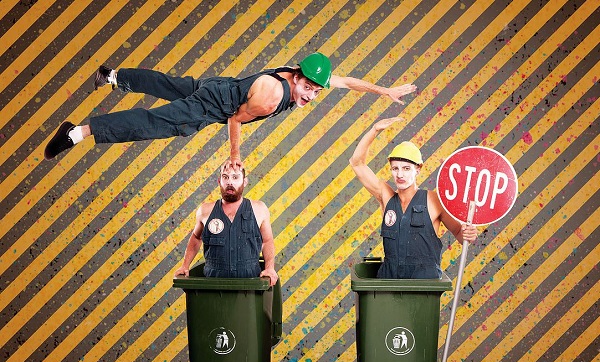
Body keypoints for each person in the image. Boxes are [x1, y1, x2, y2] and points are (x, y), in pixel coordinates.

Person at [44, 53, 418, 165]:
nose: (311, 95)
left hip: (220, 85)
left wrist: (383, 90)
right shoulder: (273, 95)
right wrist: (236, 156)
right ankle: (78, 131)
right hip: (215, 105)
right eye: (307, 88)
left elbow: (347, 81)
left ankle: (112, 76)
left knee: (167, 84)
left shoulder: (303, 78)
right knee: (153, 123)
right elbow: (237, 119)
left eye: (316, 90)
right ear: (296, 78)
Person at [349, 117, 478, 279]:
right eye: (395, 168)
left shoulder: (434, 200)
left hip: (424, 286)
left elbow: (459, 231)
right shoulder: (386, 196)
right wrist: (374, 130)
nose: (400, 174)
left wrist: (469, 234)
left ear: (418, 169)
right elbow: (357, 163)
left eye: (406, 168)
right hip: (389, 283)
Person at [173, 161, 278, 286]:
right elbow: (196, 238)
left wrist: (270, 268)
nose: (230, 182)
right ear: (219, 182)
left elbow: (267, 241)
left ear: (244, 182)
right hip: (213, 285)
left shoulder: (259, 209)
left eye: (235, 177)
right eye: (225, 177)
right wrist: (185, 265)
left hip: (250, 285)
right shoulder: (205, 210)